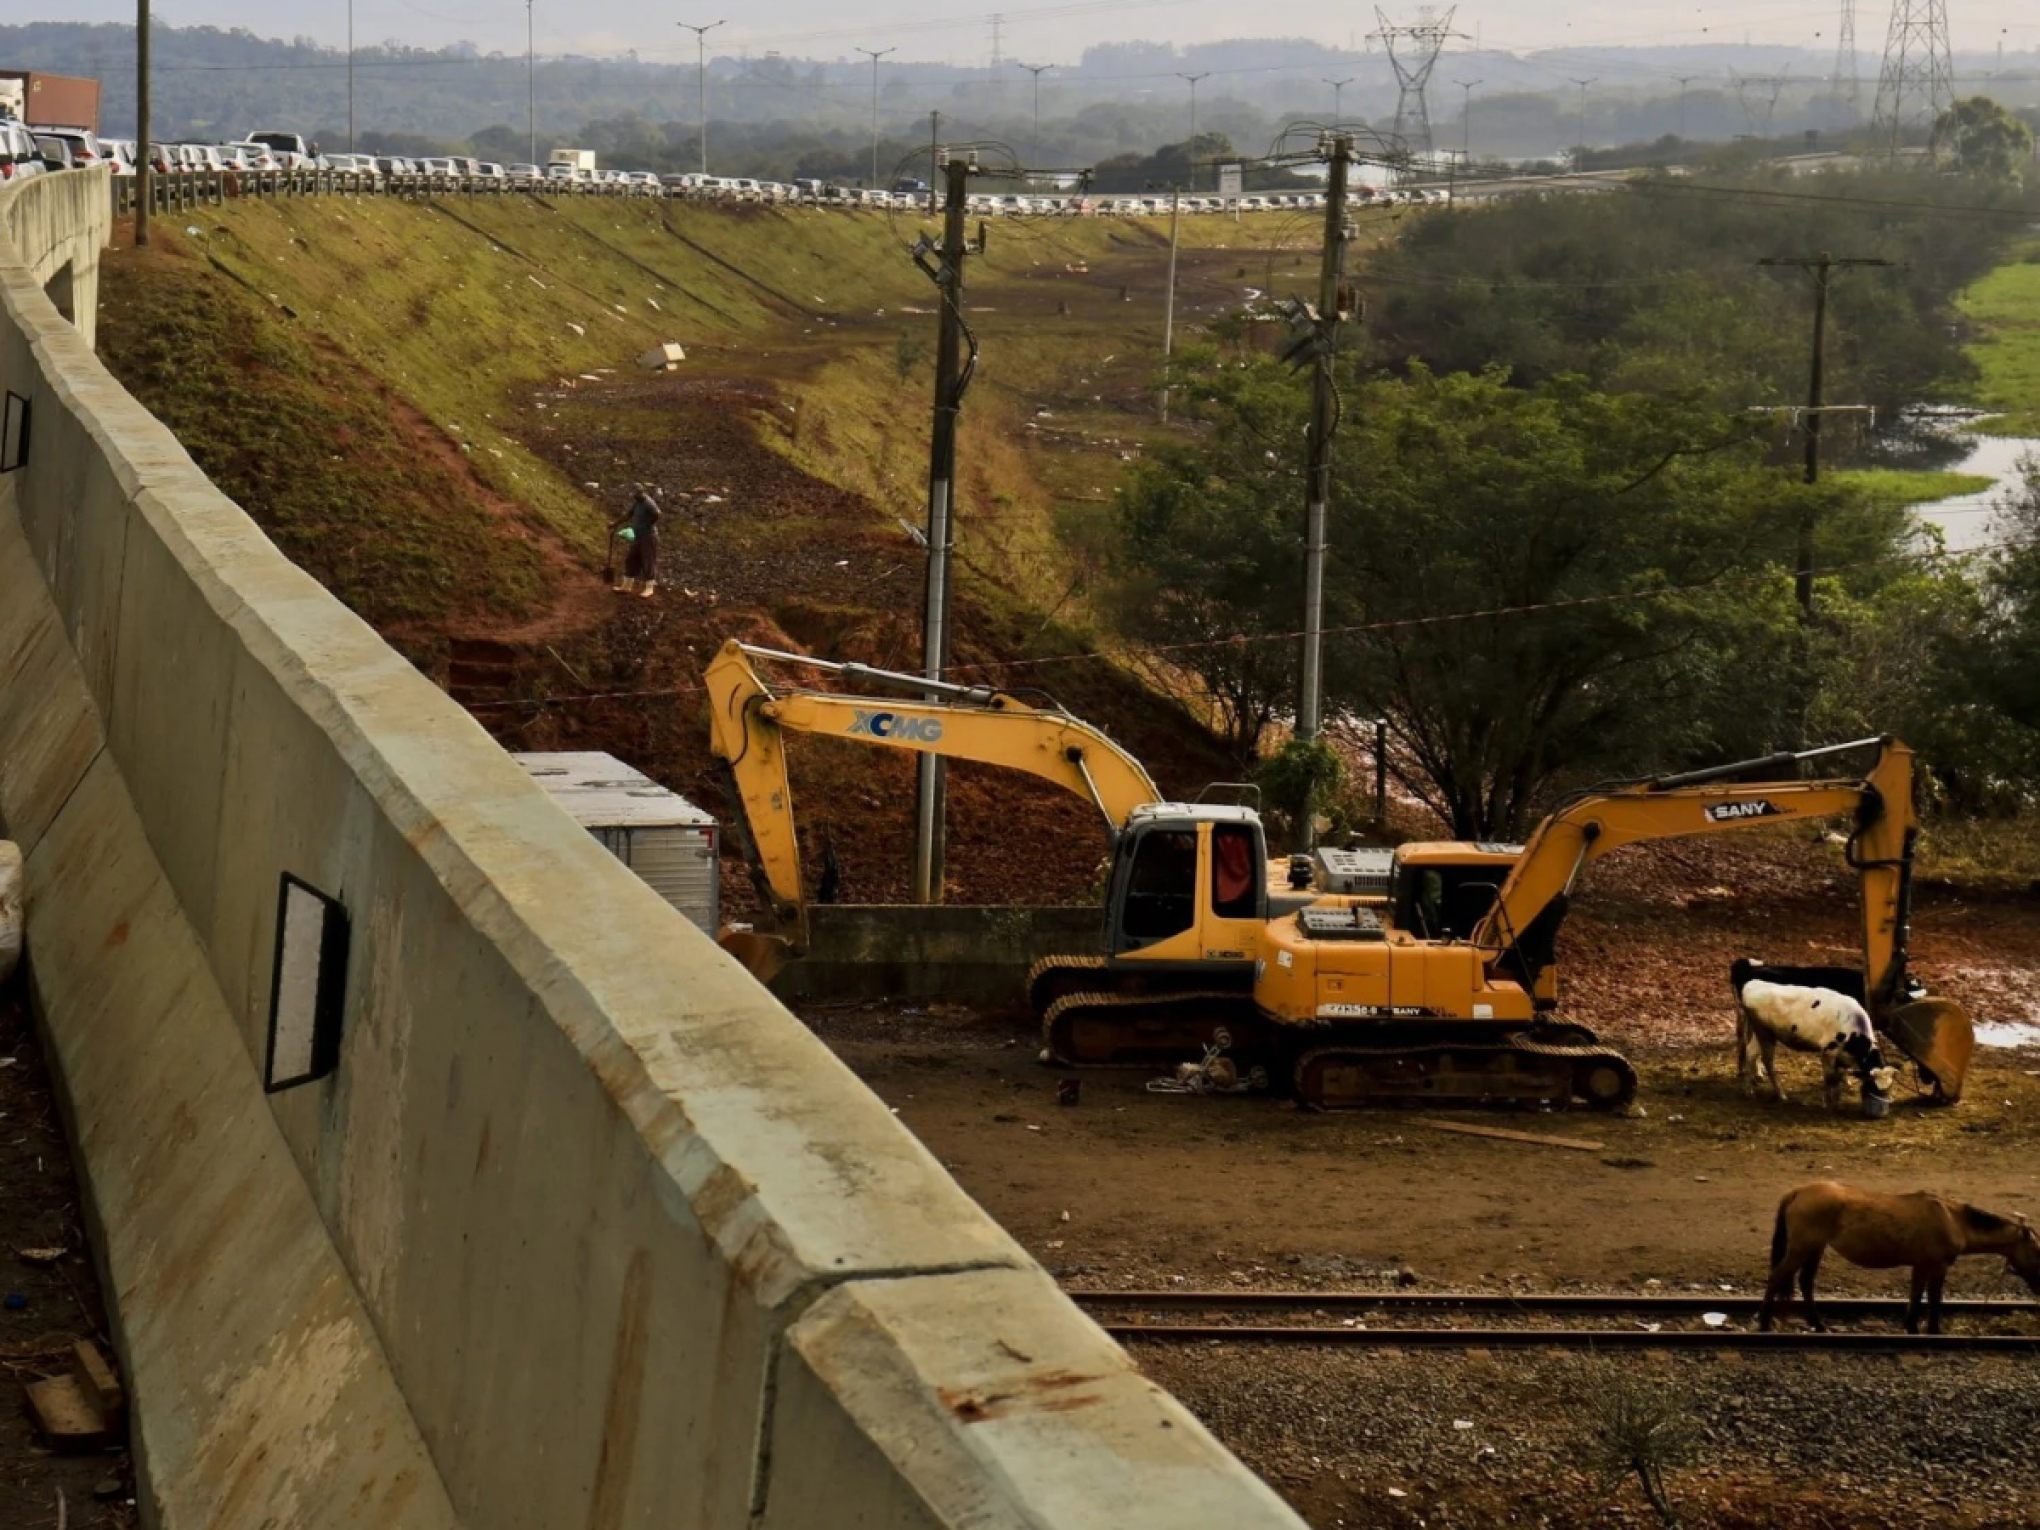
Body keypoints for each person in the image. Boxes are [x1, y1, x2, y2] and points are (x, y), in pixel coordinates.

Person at [609, 483, 663, 597]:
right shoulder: (637, 503)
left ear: (640, 492)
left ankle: (649, 588)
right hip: (638, 536)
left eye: (635, 494)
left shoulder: (648, 502)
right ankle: (627, 585)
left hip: (648, 537)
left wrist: (647, 525)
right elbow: (628, 515)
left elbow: (657, 514)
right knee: (631, 559)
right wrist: (615, 524)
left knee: (648, 561)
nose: (634, 496)